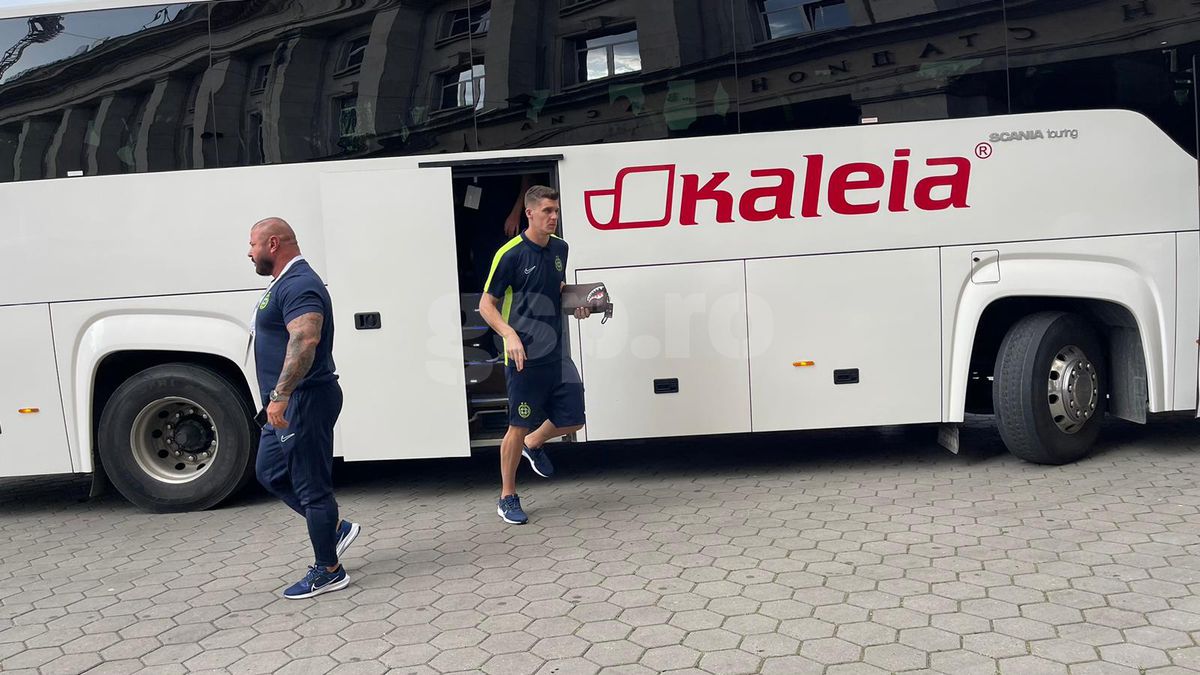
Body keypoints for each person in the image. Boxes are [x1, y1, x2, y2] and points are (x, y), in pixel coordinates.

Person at [247, 217, 360, 598]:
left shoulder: (299, 284)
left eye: (253, 244)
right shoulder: (284, 282)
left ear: (273, 244)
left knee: (313, 488)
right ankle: (335, 529)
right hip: (285, 403)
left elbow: (305, 338)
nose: (249, 253)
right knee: (269, 472)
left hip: (303, 400)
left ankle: (329, 570)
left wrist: (281, 395)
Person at [478, 186, 591, 525]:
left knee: (574, 418)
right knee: (517, 424)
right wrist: (509, 334)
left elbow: (556, 288)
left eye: (556, 211)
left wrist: (578, 304)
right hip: (523, 356)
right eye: (546, 211)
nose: (553, 217)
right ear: (529, 213)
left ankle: (534, 442)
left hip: (556, 351)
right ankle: (507, 496)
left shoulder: (560, 248)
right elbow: (486, 305)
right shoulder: (510, 254)